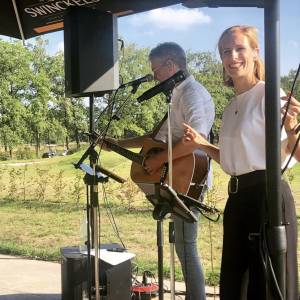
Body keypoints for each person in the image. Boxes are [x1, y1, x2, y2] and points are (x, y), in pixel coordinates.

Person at [182, 25, 300, 300]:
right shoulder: (232, 106)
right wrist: (202, 145)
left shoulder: (271, 94)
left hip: (267, 198)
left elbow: (294, 154)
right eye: (226, 51)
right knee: (235, 286)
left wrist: (294, 126)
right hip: (237, 200)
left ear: (256, 53)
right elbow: (234, 162)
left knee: (268, 287)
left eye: (239, 48)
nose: (232, 56)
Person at [101, 42, 215, 300]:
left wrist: (160, 158)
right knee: (183, 247)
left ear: (171, 65)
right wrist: (116, 144)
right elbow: (155, 138)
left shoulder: (192, 94)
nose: (154, 76)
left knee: (187, 246)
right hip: (177, 177)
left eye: (156, 70)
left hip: (190, 178)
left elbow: (196, 139)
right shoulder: (177, 95)